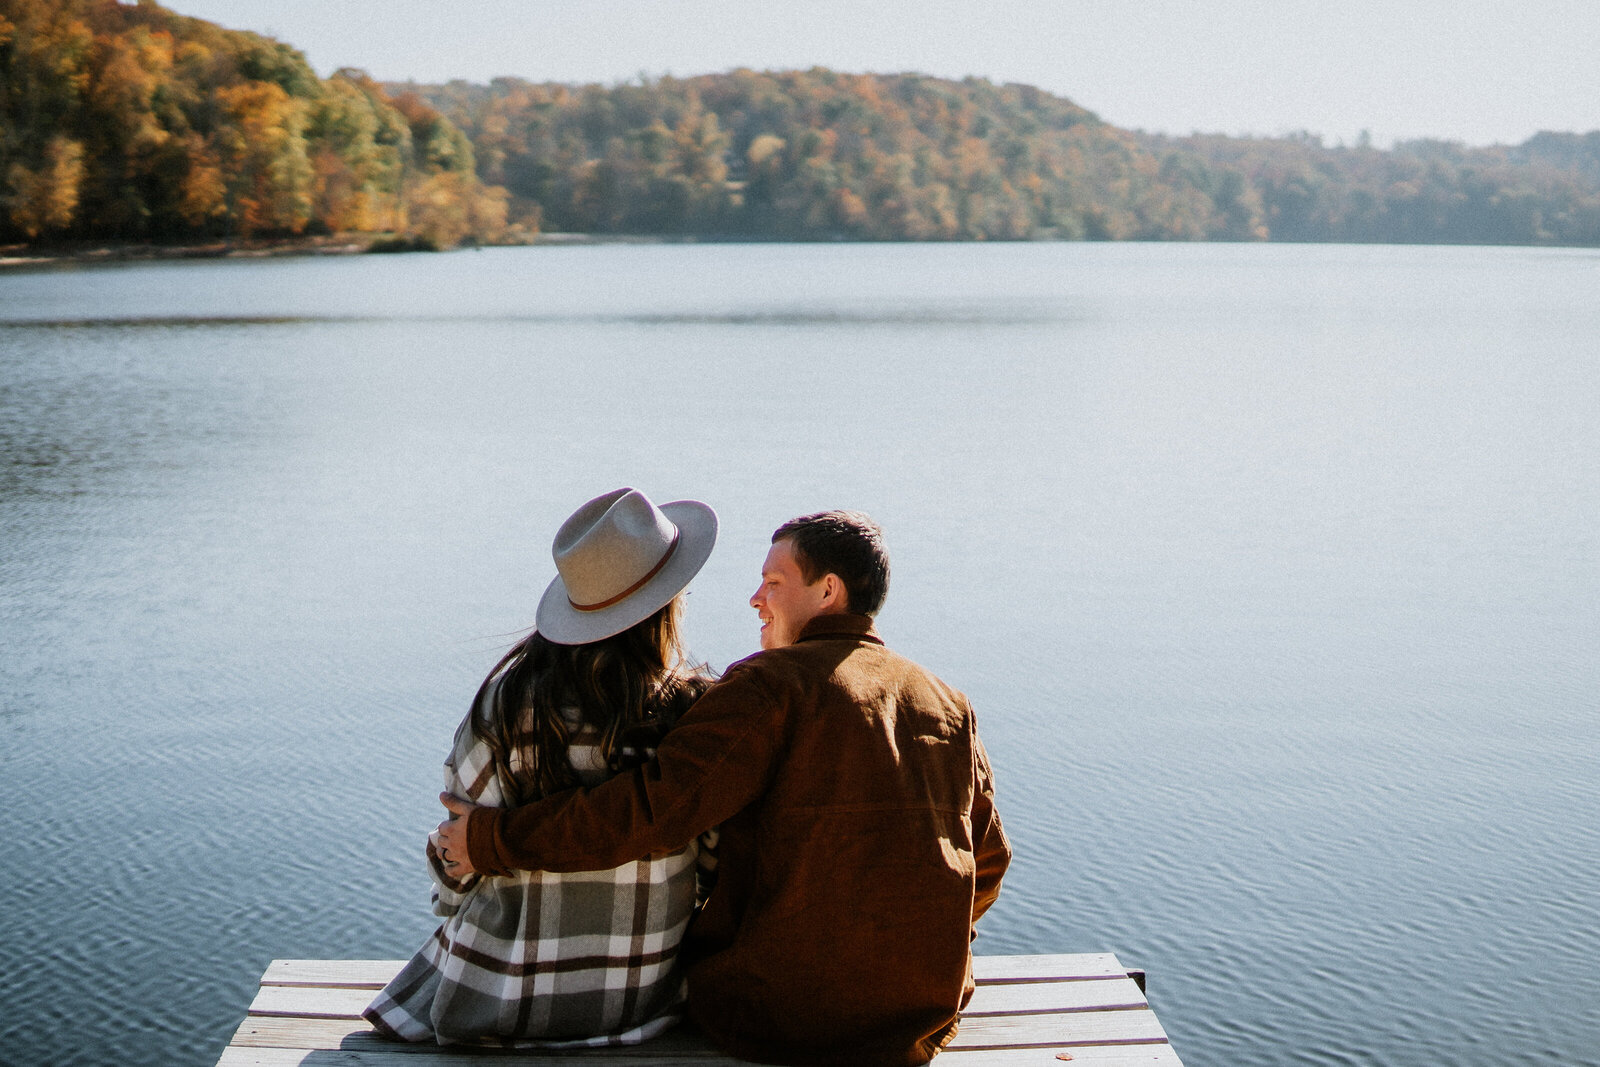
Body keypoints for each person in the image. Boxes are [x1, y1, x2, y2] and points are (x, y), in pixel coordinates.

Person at [437, 509, 1011, 1066]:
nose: (756, 599)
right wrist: (912, 953)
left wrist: (492, 841)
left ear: (828, 591)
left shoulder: (767, 687)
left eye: (774, 582)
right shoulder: (947, 702)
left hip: (775, 1021)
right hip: (918, 1021)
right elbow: (987, 859)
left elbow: (649, 812)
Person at [363, 487, 719, 1047]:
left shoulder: (504, 706)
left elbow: (456, 860)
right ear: (669, 602)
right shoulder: (695, 715)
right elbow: (717, 860)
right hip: (641, 1004)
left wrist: (453, 887)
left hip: (497, 1004)